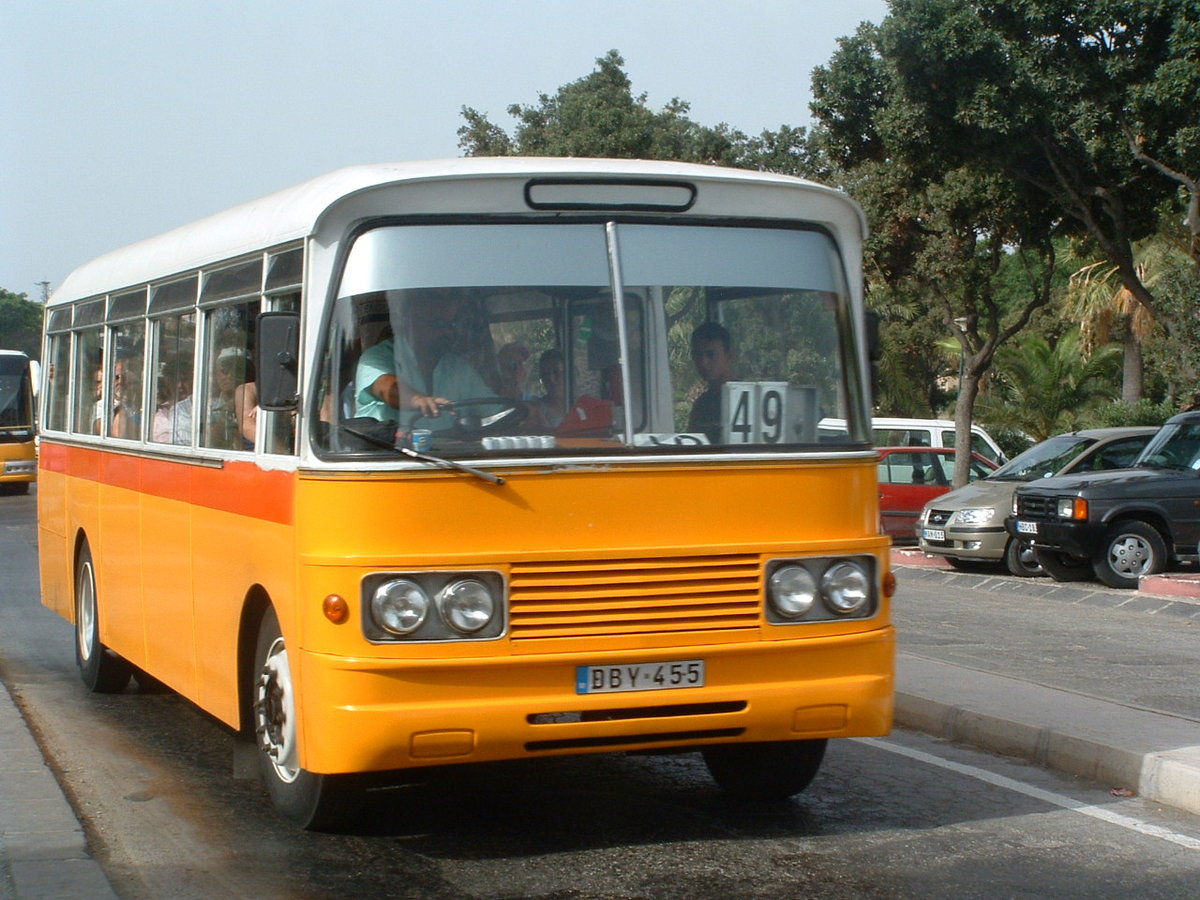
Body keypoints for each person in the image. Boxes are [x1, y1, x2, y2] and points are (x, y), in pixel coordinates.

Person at [354, 291, 494, 430]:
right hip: (387, 451)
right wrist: (416, 400)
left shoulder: (458, 367)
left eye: (451, 325)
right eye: (437, 324)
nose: (447, 332)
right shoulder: (377, 357)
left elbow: (494, 409)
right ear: (409, 321)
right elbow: (385, 386)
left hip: (448, 452)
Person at [687, 321, 735, 442]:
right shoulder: (702, 405)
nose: (703, 362)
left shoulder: (746, 398)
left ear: (729, 356)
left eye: (711, 354)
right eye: (698, 355)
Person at [531, 349, 566, 431]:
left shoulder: (582, 405)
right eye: (545, 374)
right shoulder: (536, 409)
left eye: (556, 372)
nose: (551, 379)